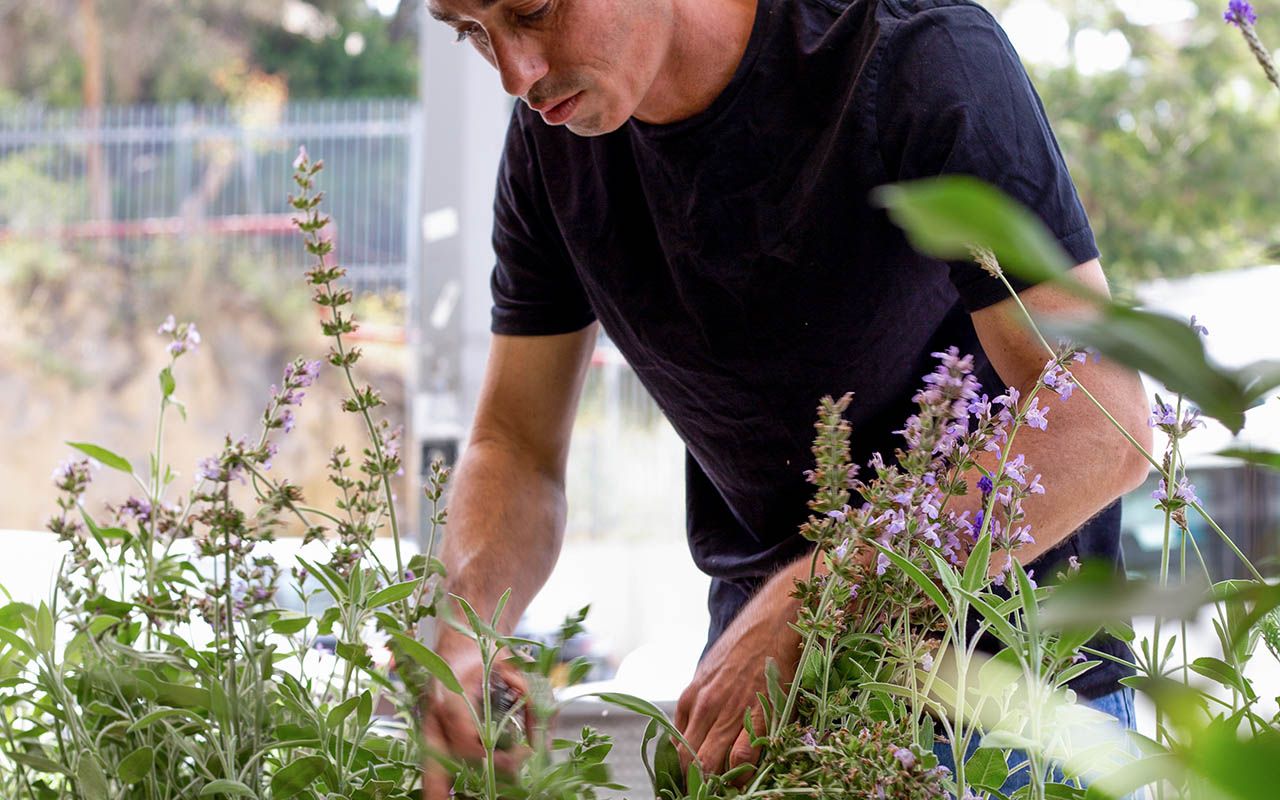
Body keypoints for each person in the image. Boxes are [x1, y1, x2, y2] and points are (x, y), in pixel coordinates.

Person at [418, 0, 1154, 796]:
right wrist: (463, 632)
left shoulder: (916, 57)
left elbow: (1100, 423)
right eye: (469, 30)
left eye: (532, 10)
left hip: (1014, 714)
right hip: (765, 720)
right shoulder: (552, 146)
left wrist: (819, 599)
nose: (514, 73)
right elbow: (517, 446)